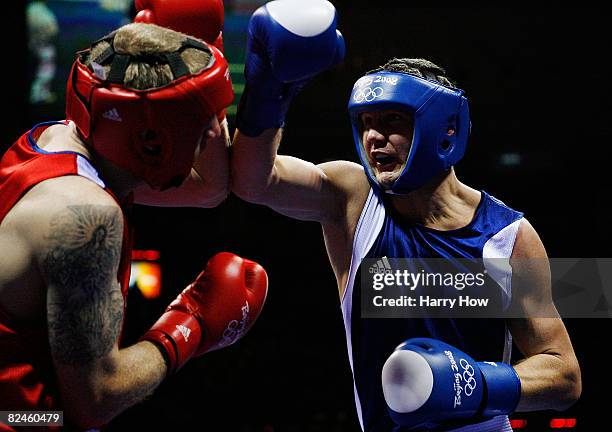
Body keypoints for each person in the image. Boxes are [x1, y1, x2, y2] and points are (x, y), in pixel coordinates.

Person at [230, 1, 581, 431]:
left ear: (444, 128)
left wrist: (473, 384)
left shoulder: (506, 236)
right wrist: (267, 90)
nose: (373, 136)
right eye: (365, 122)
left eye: (392, 120)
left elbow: (563, 373)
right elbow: (253, 181)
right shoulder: (353, 199)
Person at [0, 21, 268, 431]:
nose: (216, 134)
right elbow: (95, 400)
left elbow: (210, 188)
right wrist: (191, 324)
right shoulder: (84, 216)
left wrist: (193, 58)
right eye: (204, 125)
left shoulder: (54, 143)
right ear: (151, 143)